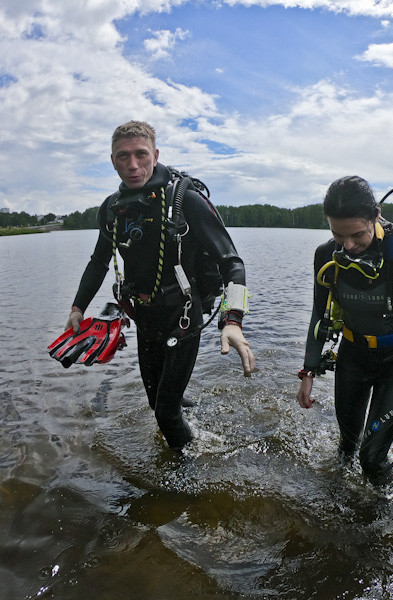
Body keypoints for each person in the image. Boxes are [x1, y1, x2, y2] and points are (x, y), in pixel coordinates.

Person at [64, 120, 255, 450]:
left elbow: (232, 262)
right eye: (123, 156)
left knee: (165, 413)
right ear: (112, 160)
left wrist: (233, 319)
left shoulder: (184, 200)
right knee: (159, 404)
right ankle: (198, 423)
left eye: (140, 154)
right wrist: (77, 307)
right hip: (145, 318)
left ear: (155, 154)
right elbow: (98, 262)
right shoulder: (112, 209)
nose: (133, 165)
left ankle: (185, 478)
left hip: (182, 316)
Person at [296, 176, 393, 485]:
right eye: (338, 235)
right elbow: (318, 313)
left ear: (375, 217)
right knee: (346, 450)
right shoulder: (325, 256)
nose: (348, 246)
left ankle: (384, 522)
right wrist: (309, 373)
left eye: (357, 235)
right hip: (352, 358)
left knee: (371, 459)